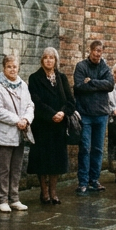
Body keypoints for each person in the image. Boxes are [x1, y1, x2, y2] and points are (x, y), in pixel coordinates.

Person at [28, 47, 73, 204]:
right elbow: (35, 101)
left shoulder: (62, 78)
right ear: (42, 60)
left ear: (56, 60)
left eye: (51, 57)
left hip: (58, 126)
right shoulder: (34, 78)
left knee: (56, 160)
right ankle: (44, 192)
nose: (48, 60)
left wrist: (62, 113)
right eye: (46, 57)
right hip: (42, 125)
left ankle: (53, 191)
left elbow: (70, 101)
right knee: (42, 160)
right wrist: (51, 114)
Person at [0, 54, 34, 212]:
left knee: (16, 167)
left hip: (20, 133)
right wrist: (17, 120)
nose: (12, 69)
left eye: (15, 66)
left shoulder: (23, 85)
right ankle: (2, 199)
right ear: (4, 68)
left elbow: (30, 105)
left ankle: (14, 198)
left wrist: (26, 119)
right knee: (4, 169)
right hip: (4, 133)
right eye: (9, 67)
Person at [73, 40, 113, 195]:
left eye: (100, 51)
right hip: (85, 114)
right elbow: (79, 87)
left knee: (98, 149)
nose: (97, 54)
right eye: (95, 50)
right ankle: (83, 182)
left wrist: (91, 82)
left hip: (101, 114)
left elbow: (110, 85)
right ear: (90, 50)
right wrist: (99, 86)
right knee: (85, 148)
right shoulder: (81, 66)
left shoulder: (104, 67)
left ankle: (94, 180)